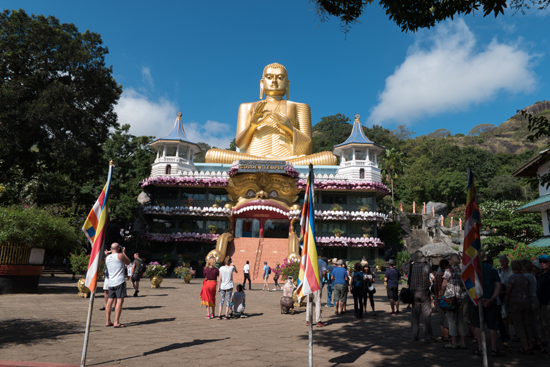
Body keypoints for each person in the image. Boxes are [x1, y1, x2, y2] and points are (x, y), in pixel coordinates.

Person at [204, 63, 336, 166]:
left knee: (329, 158)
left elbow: (306, 150)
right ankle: (263, 163)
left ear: (287, 84)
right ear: (262, 83)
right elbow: (241, 145)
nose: (274, 81)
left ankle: (267, 164)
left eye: (280, 77)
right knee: (212, 154)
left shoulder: (299, 107)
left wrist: (289, 129)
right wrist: (252, 125)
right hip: (253, 158)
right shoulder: (247, 106)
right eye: (269, 77)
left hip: (289, 159)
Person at [471, 250, 503, 357]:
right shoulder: (491, 269)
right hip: (490, 301)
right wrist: (491, 298)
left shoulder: (472, 270)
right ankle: (494, 349)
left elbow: (467, 287)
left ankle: (480, 348)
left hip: (477, 302)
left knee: (478, 325)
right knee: (492, 326)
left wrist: (479, 298)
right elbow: (498, 286)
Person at [506, 259, 533, 354]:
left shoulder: (512, 278)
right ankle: (530, 346)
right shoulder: (525, 278)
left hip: (516, 302)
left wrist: (507, 299)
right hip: (526, 302)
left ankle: (525, 347)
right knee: (527, 325)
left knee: (519, 325)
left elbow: (509, 291)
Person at [409, 251, 437, 343]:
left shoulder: (411, 266)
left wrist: (409, 261)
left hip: (414, 292)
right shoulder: (427, 266)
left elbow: (403, 267)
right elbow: (430, 270)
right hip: (425, 292)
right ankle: (428, 336)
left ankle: (414, 336)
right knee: (426, 315)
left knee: (415, 316)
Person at [441, 254, 467, 349]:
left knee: (452, 321)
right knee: (460, 320)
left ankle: (454, 342)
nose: (448, 260)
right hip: (461, 297)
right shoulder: (462, 270)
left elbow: (444, 284)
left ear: (453, 260)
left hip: (450, 299)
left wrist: (442, 293)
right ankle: (463, 342)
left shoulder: (448, 271)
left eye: (449, 259)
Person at [105, 243, 130, 328]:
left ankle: (108, 321)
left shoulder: (107, 258)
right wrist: (124, 252)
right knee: (119, 301)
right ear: (119, 248)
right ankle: (116, 322)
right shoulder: (120, 255)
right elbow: (128, 262)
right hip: (119, 281)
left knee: (109, 301)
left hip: (111, 282)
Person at [521, 259, 542, 350]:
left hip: (531, 299)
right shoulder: (532, 275)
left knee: (532, 322)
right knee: (534, 321)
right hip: (534, 298)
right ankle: (537, 340)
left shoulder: (526, 276)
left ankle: (537, 341)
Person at [305, 257, 327, 327]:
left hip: (309, 284)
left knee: (309, 302)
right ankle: (318, 320)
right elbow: (324, 272)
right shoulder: (323, 263)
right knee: (317, 302)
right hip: (317, 284)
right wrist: (326, 279)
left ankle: (308, 320)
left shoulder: (311, 261)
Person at [434, 259, 450, 342]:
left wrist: (437, 297)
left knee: (442, 316)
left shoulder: (438, 275)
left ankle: (443, 334)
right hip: (447, 297)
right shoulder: (447, 274)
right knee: (447, 317)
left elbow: (435, 287)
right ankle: (447, 335)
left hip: (440, 297)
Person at [537, 254, 550, 356]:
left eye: (544, 261)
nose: (542, 263)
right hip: (542, 303)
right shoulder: (541, 273)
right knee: (544, 326)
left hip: (548, 304)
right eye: (540, 261)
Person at [498, 255, 513, 341]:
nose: (502, 263)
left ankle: (513, 333)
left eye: (503, 261)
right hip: (502, 295)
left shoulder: (511, 271)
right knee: (504, 315)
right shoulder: (499, 271)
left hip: (510, 294)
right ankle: (505, 333)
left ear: (507, 262)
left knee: (511, 315)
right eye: (501, 261)